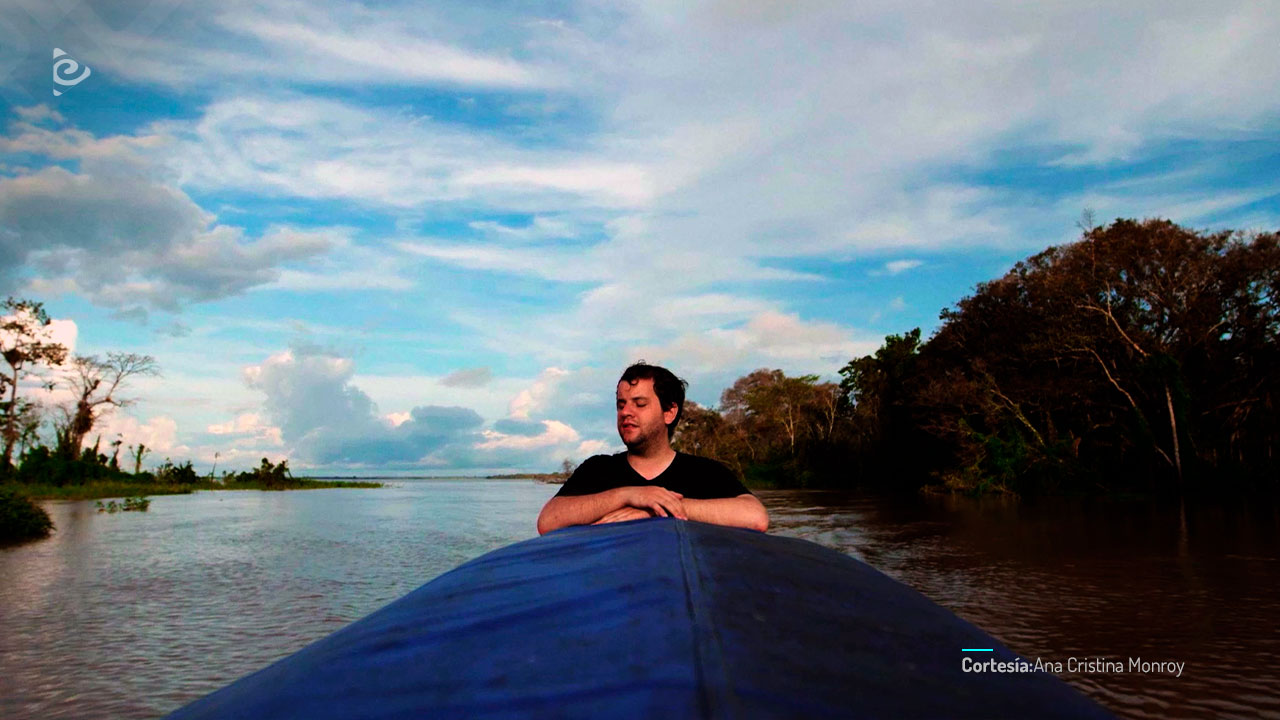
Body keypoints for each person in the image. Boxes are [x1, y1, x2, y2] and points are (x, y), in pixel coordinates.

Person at [536, 362, 769, 534]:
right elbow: (547, 522)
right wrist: (628, 495)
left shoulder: (704, 471)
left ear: (669, 412)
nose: (626, 412)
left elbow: (756, 517)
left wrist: (657, 511)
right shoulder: (597, 468)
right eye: (621, 405)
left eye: (640, 404)